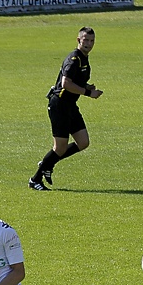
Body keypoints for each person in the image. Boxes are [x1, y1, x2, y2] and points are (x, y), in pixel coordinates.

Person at [28, 27, 103, 191]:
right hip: (59, 105)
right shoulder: (74, 59)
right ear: (78, 40)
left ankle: (49, 162)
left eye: (92, 41)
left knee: (83, 142)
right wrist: (89, 92)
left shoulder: (84, 59)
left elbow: (74, 81)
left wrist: (85, 85)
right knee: (60, 148)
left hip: (70, 106)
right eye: (85, 40)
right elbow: (66, 84)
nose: (89, 44)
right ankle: (35, 179)